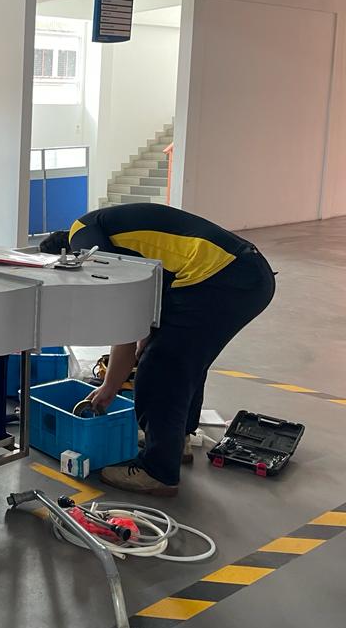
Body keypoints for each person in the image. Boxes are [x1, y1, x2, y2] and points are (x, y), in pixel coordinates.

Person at [39, 203, 276, 496]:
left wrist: (110, 388)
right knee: (182, 360)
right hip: (242, 273)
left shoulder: (83, 235)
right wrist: (146, 335)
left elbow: (124, 304)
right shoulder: (111, 230)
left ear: (66, 256)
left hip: (218, 277)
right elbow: (145, 297)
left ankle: (157, 472)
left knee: (161, 368)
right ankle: (175, 442)